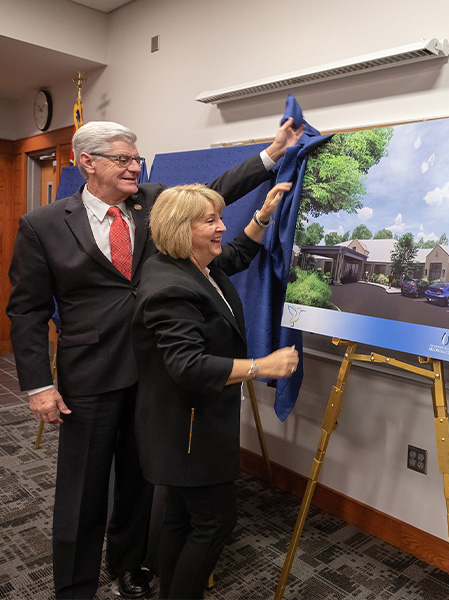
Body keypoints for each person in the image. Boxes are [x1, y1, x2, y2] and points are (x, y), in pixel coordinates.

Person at [6, 119, 303, 599]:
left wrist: (271, 154)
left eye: (135, 157)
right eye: (123, 158)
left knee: (140, 484)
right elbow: (27, 310)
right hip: (92, 377)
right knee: (82, 492)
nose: (134, 166)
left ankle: (129, 566)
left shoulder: (152, 203)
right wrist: (39, 385)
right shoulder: (42, 225)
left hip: (157, 374)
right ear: (88, 162)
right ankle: (75, 587)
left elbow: (212, 193)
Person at [130, 183, 299, 599]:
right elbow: (187, 365)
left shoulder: (189, 265)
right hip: (186, 433)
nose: (222, 227)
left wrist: (261, 217)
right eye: (211, 221)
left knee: (180, 519)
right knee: (214, 522)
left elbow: (236, 254)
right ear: (180, 228)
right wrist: (262, 367)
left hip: (178, 425)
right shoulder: (172, 287)